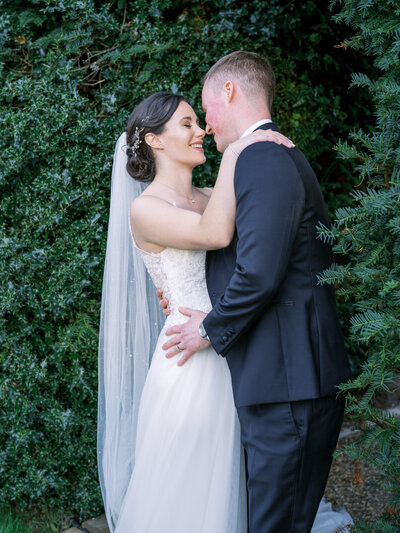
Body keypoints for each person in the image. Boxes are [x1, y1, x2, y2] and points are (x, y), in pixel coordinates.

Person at [162, 51, 352, 532]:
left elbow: (260, 273)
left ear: (229, 91)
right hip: (278, 379)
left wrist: (206, 328)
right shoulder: (259, 155)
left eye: (205, 109)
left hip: (287, 381)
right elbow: (232, 251)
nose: (206, 124)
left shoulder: (264, 156)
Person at [97, 91, 294, 533]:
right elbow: (215, 233)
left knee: (233, 485)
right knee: (187, 489)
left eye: (197, 122)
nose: (201, 131)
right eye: (186, 124)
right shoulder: (145, 209)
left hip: (236, 348)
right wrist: (243, 146)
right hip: (188, 363)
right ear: (155, 141)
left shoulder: (211, 194)